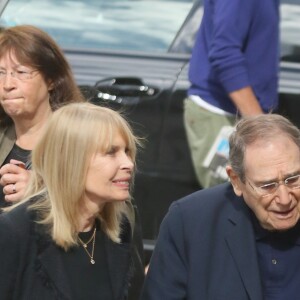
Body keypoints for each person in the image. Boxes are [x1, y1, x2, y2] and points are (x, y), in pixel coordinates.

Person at [141, 114, 300, 299]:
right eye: (267, 186)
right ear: (236, 181)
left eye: (293, 179)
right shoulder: (189, 223)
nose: (284, 198)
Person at [0, 102, 144, 300]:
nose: (128, 164)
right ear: (72, 159)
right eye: (111, 152)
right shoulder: (16, 232)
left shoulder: (121, 229)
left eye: (127, 151)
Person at [184, 0, 280, 188]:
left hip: (240, 116)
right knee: (228, 210)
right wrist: (259, 124)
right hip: (222, 115)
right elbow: (224, 54)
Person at [0, 25, 85, 207]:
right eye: (1, 73)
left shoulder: (79, 140)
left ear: (51, 80)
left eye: (21, 72)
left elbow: (115, 209)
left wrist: (42, 189)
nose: (7, 84)